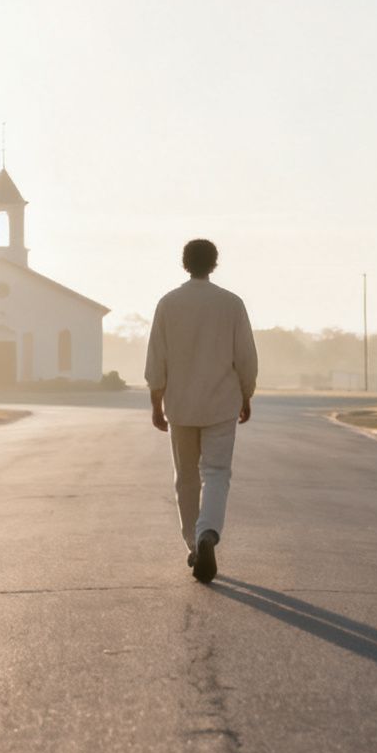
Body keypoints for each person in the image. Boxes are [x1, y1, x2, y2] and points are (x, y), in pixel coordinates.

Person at [145, 238, 258, 584]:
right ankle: (208, 532)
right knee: (216, 473)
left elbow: (156, 359)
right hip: (221, 404)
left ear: (184, 263)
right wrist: (246, 395)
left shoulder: (168, 304)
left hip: (180, 404)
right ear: (214, 264)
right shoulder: (232, 304)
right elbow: (246, 358)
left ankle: (194, 543)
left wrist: (156, 403)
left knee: (186, 478)